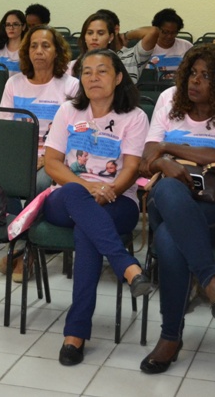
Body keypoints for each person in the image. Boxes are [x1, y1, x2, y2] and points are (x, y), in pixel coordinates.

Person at [137, 44, 215, 374]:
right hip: (167, 203)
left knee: (168, 238)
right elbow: (147, 160)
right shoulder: (168, 101)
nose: (195, 80)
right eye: (193, 73)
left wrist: (169, 149)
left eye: (206, 76)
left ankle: (170, 337)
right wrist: (163, 162)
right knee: (170, 187)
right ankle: (210, 280)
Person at [41, 49, 152, 366]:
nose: (93, 78)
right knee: (75, 194)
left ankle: (75, 334)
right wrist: (88, 187)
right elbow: (52, 163)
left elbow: (131, 168)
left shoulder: (134, 117)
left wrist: (110, 190)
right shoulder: (68, 111)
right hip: (67, 197)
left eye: (102, 71)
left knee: (86, 230)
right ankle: (127, 266)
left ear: (118, 78)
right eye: (86, 72)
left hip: (118, 200)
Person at [0, 25, 79, 280]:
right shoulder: (14, 83)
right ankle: (24, 243)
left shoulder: (71, 86)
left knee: (40, 182)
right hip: (21, 154)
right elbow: (4, 129)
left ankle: (24, 252)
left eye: (45, 46)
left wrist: (44, 159)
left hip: (57, 158)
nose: (39, 51)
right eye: (33, 46)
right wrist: (23, 158)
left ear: (57, 51)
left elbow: (78, 133)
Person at [129, 8, 191, 80]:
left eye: (173, 33)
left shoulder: (186, 46)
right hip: (151, 86)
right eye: (165, 32)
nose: (169, 36)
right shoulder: (144, 47)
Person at [68, 11, 119, 76]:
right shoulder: (70, 67)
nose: (94, 38)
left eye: (100, 33)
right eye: (90, 33)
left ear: (111, 37)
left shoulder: (118, 65)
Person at [0, 9, 26, 75]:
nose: (11, 28)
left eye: (15, 24)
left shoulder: (28, 50)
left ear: (23, 27)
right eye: (8, 24)